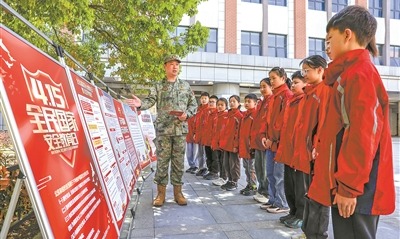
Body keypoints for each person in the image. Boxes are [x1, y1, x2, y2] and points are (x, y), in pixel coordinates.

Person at [308, 5, 395, 239]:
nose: (327, 47)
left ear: (347, 34)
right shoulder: (348, 73)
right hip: (351, 180)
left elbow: (363, 134)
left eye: (329, 39)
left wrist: (349, 187)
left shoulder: (358, 73)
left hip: (357, 185)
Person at [126, 54, 197, 207]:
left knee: (178, 163)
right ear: (165, 66)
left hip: (180, 130)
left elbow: (194, 105)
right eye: (171, 64)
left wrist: (187, 115)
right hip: (163, 131)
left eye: (177, 64)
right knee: (162, 163)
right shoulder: (158, 85)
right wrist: (140, 104)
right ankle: (161, 194)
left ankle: (178, 193)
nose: (175, 67)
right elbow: (150, 101)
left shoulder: (185, 86)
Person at [289, 55, 330, 237]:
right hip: (305, 152)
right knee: (309, 194)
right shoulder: (308, 93)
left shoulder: (324, 91)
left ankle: (317, 234)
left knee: (319, 196)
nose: (304, 74)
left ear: (320, 70)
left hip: (317, 153)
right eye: (303, 70)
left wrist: (317, 147)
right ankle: (308, 231)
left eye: (307, 70)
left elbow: (323, 123)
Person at [274, 70, 306, 228]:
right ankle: (293, 211)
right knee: (289, 184)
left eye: (297, 82)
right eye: (292, 82)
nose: (293, 85)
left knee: (300, 186)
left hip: (299, 151)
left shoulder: (305, 100)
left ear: (305, 84)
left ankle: (301, 215)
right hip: (288, 149)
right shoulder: (291, 100)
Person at [261, 67, 293, 214]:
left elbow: (283, 122)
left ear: (283, 78)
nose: (272, 81)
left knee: (279, 175)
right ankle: (273, 199)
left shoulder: (286, 95)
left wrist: (272, 139)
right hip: (270, 142)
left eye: (274, 78)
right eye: (270, 78)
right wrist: (265, 137)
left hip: (278, 143)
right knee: (270, 173)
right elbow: (268, 120)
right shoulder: (274, 96)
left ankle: (282, 202)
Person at [251, 78, 273, 204]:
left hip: (265, 141)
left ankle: (266, 192)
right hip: (258, 140)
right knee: (258, 167)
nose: (262, 89)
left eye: (265, 86)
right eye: (261, 87)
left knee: (265, 169)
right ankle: (261, 189)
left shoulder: (272, 101)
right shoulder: (262, 102)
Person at [219, 95, 243, 191]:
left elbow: (239, 132)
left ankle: (234, 181)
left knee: (234, 164)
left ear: (238, 103)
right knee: (226, 164)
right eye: (230, 101)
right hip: (226, 144)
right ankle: (229, 180)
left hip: (233, 145)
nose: (232, 103)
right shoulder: (228, 115)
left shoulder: (239, 116)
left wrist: (236, 145)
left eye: (234, 101)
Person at [238, 93, 258, 196]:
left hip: (251, 148)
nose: (246, 103)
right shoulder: (244, 115)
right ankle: (249, 184)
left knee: (252, 168)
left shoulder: (255, 115)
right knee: (246, 167)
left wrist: (252, 145)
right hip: (244, 147)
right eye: (245, 101)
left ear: (255, 103)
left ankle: (254, 186)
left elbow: (254, 132)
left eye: (249, 101)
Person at [211, 97, 229, 186]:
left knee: (223, 161)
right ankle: (221, 177)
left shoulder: (226, 116)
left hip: (223, 143)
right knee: (218, 160)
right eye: (218, 105)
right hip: (216, 142)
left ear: (226, 106)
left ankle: (224, 177)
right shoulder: (217, 116)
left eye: (222, 105)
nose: (220, 106)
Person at [202, 95, 219, 180]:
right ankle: (210, 170)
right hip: (207, 140)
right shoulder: (207, 113)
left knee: (214, 157)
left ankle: (215, 172)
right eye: (210, 102)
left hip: (214, 140)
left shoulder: (218, 114)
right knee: (208, 156)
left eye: (213, 102)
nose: (211, 103)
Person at [194, 92, 210, 176]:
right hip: (199, 134)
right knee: (200, 152)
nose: (203, 100)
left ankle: (206, 168)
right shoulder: (198, 109)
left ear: (208, 99)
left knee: (205, 153)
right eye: (202, 98)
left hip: (206, 135)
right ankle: (201, 168)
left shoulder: (209, 109)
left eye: (205, 98)